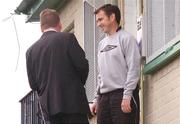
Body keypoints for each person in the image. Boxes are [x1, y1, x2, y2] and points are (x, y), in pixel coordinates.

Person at [26, 9, 90, 124]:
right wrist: (76, 85)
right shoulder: (68, 38)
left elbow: (33, 84)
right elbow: (82, 66)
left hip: (49, 110)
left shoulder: (30, 51)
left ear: (41, 28)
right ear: (59, 24)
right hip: (74, 104)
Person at [89, 4, 141, 124]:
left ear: (112, 17)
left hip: (123, 94)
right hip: (104, 99)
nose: (98, 24)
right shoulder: (101, 44)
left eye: (101, 19)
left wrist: (127, 96)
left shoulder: (126, 38)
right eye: (97, 21)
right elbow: (101, 75)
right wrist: (96, 99)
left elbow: (134, 69)